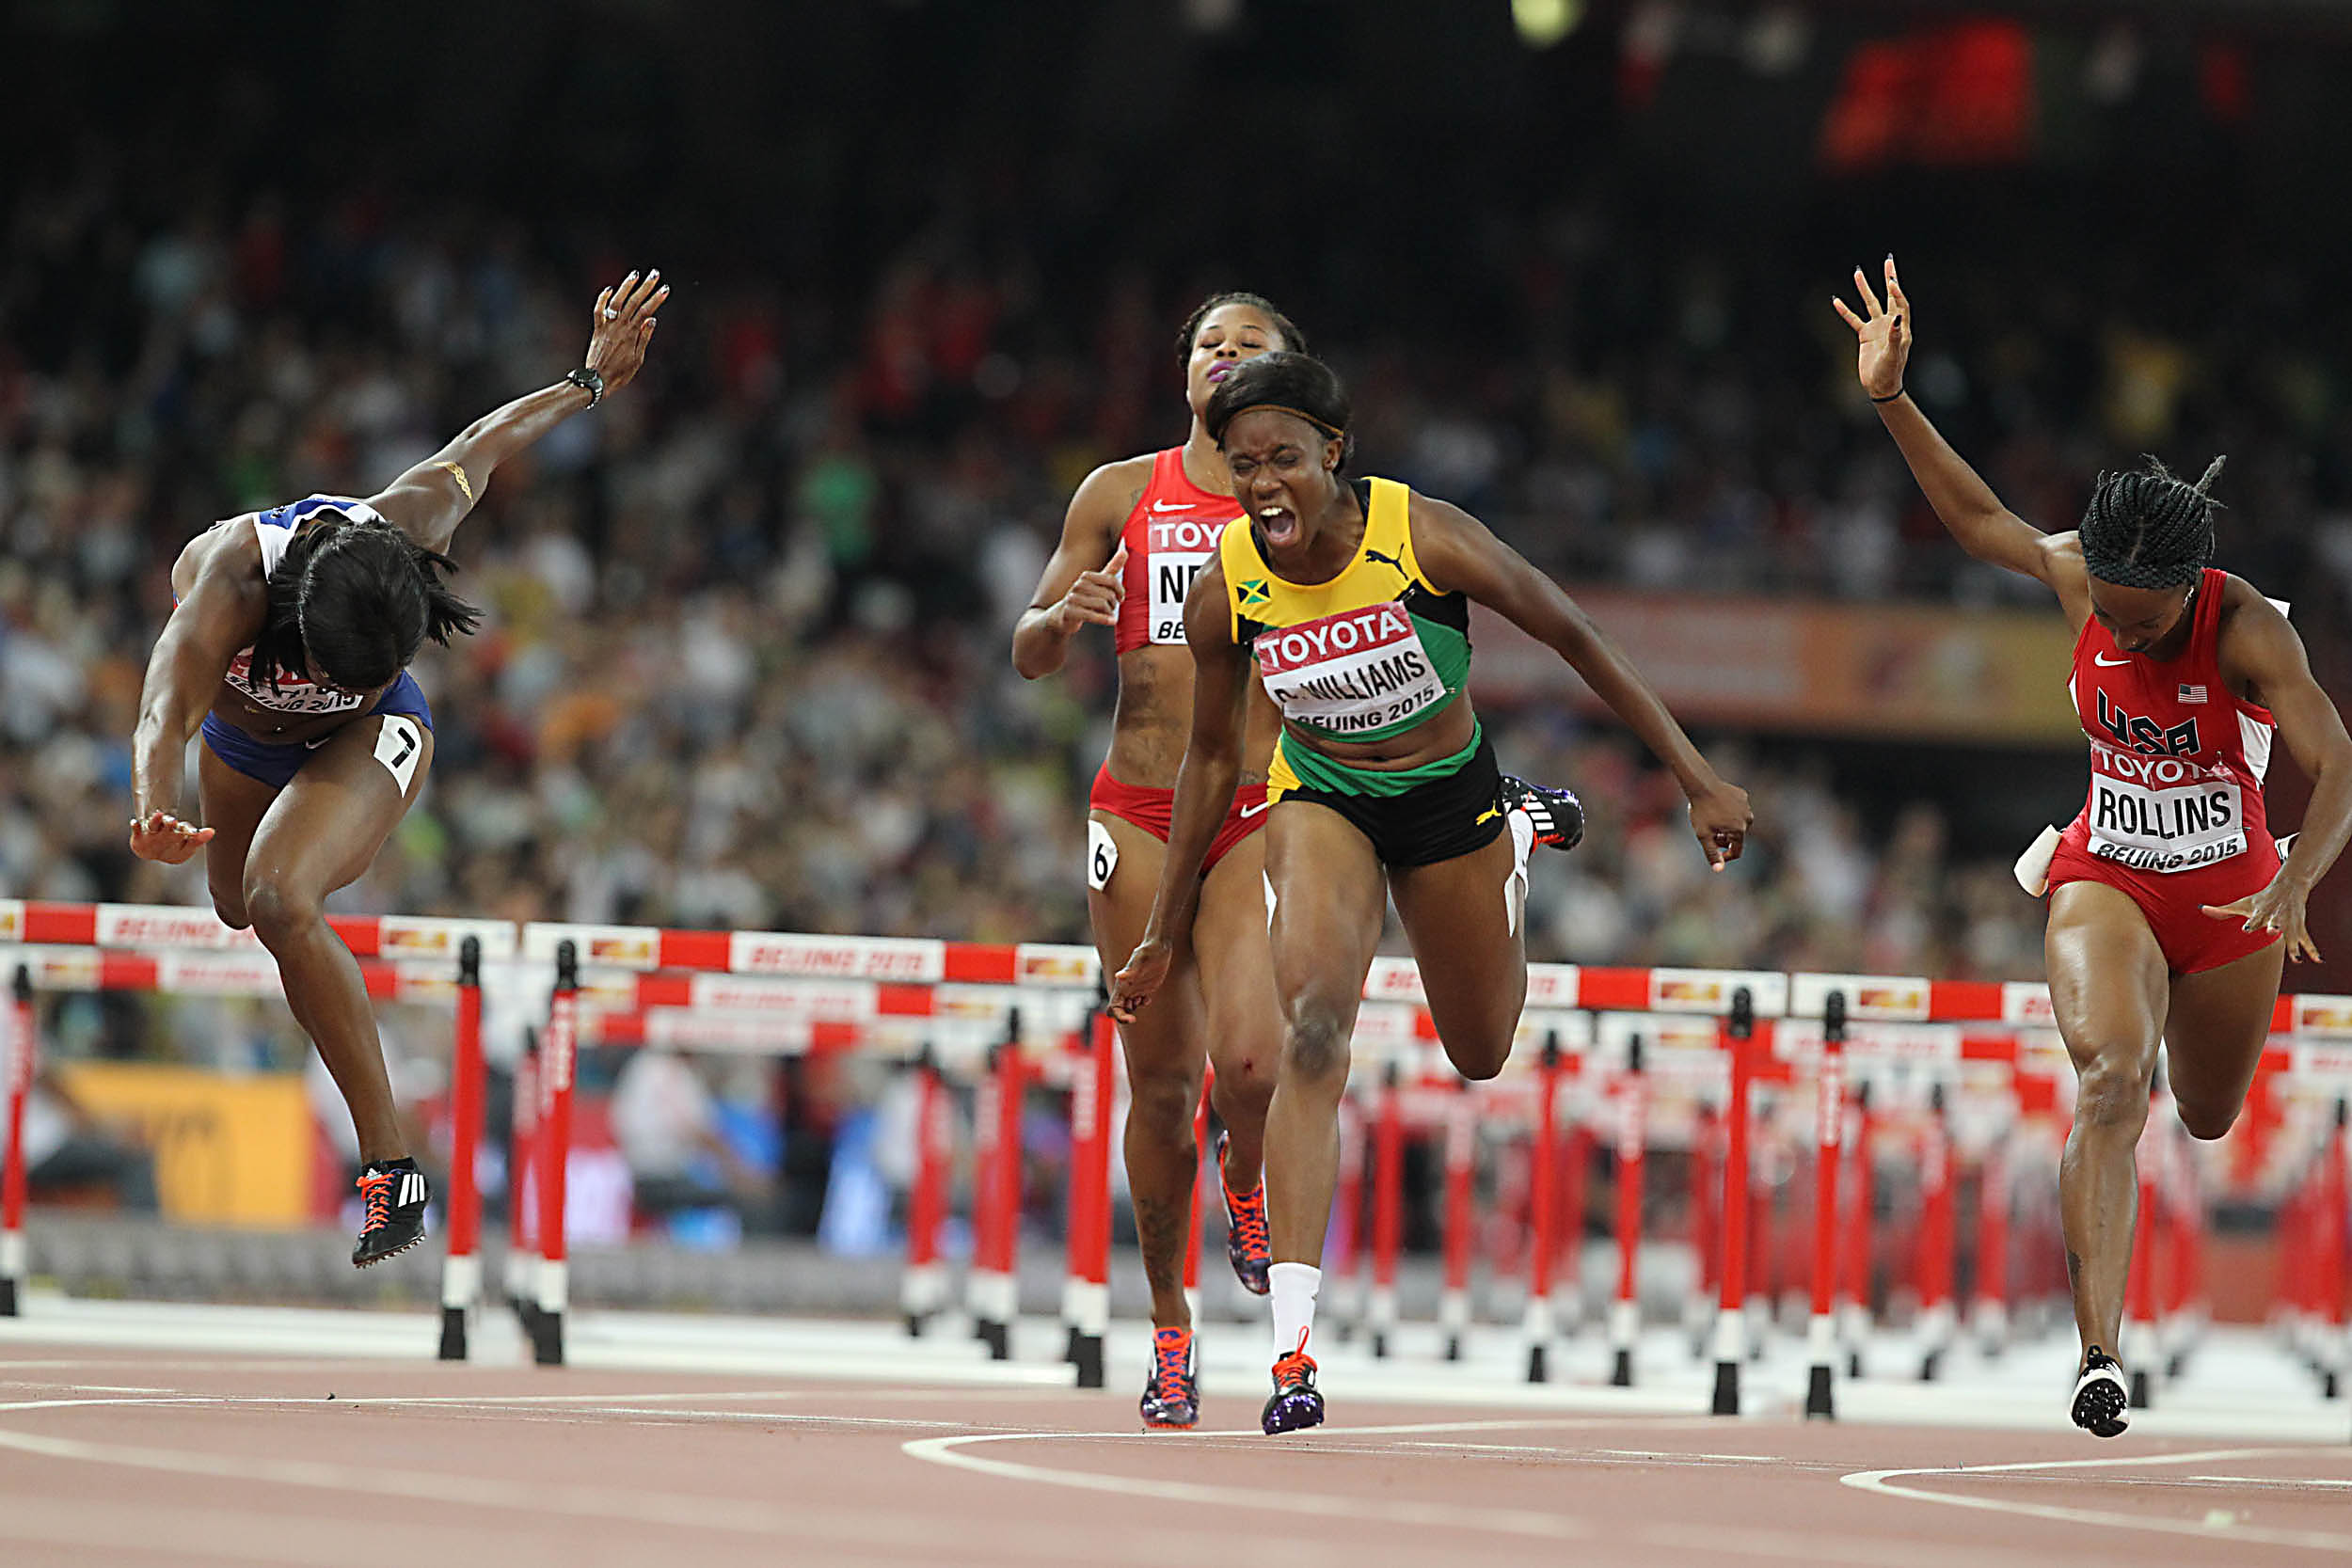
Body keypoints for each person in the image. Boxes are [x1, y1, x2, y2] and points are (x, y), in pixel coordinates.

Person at [1108, 351, 1754, 1433]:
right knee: (1315, 1028)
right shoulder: (1229, 583)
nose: (1262, 483)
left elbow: (1574, 634)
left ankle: (1517, 831)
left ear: (1333, 451)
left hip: (1449, 800)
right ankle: (1293, 1355)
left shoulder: (1423, 536)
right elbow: (1211, 761)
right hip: (1319, 798)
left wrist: (1696, 778)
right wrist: (1163, 931)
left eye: (1282, 458)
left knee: (1481, 1048)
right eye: (1242, 465)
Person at [1836, 256, 2352, 1436]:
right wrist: (1891, 397)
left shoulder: (2248, 628)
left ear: (2189, 586)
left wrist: (2293, 877)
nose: (2122, 627)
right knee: (2111, 1082)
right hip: (2105, 869)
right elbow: (1980, 521)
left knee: (2207, 1112)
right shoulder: (2081, 573)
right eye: (2108, 611)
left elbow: (2340, 764)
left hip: (2232, 894)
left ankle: (2176, 1044)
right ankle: (2098, 1354)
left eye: (2144, 619)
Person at [126, 270, 668, 1267]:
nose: (350, 680)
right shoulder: (225, 583)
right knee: (235, 905)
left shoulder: (410, 516)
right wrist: (154, 805)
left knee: (279, 897)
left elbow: (486, 442)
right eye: (340, 671)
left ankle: (392, 1168)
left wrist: (589, 381)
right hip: (242, 741)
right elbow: (163, 711)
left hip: (373, 738)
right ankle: (293, 876)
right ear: (293, 625)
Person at [1012, 293, 1299, 1429]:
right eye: (1208, 344)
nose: (1224, 355)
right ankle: (1170, 1329)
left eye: (1249, 345)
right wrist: (1061, 620)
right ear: (1183, 371)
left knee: (1253, 1065)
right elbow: (1027, 649)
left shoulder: (1306, 510)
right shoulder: (1118, 492)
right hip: (1135, 810)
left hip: (1254, 809)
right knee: (1163, 1085)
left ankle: (1246, 1175)